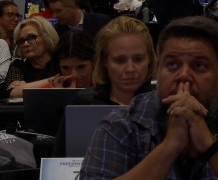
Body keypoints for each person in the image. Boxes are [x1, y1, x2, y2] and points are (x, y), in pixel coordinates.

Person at [79, 16, 218, 180]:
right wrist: (170, 146)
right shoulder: (121, 125)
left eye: (199, 66)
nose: (184, 75)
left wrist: (210, 146)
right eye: (172, 65)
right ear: (158, 70)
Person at [53, 16, 156, 156]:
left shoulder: (164, 107)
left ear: (149, 59)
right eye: (120, 60)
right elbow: (60, 163)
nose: (130, 68)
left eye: (138, 59)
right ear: (104, 61)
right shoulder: (83, 104)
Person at [3, 16, 60, 97]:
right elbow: (14, 93)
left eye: (31, 37)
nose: (26, 44)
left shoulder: (60, 62)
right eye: (22, 41)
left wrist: (27, 86)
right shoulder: (18, 65)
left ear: (47, 37)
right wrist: (54, 81)